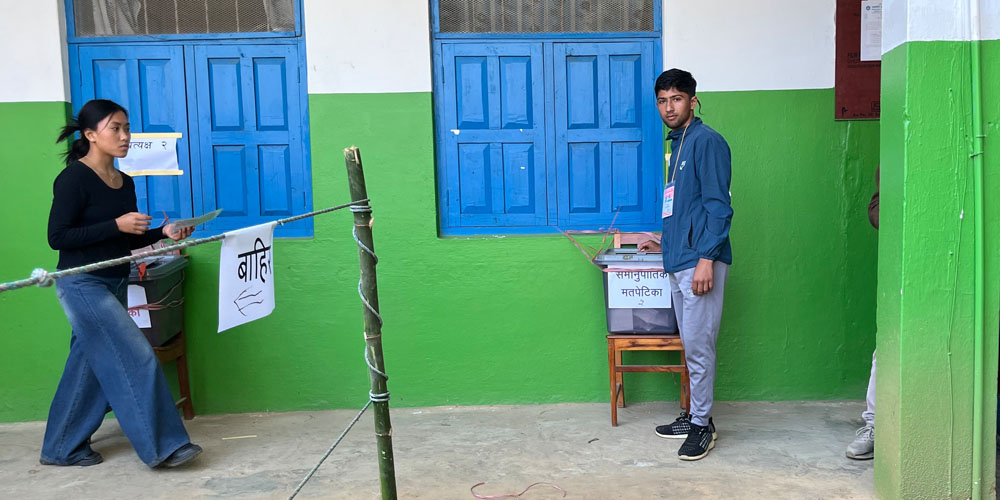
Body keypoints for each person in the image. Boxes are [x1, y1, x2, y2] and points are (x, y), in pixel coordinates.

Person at [40, 99, 202, 468]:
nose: (125, 136)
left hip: (114, 280)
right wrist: (115, 224)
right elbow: (58, 236)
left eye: (127, 128)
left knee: (87, 370)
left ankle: (61, 447)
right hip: (82, 285)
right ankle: (166, 446)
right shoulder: (73, 179)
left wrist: (164, 232)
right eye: (115, 128)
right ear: (91, 135)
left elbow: (123, 242)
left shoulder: (123, 182)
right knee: (136, 357)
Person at [638, 69, 733, 461]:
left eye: (676, 99)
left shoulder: (706, 141)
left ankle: (702, 426)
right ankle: (693, 414)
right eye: (662, 100)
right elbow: (683, 207)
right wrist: (665, 240)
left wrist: (707, 259)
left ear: (692, 101)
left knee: (699, 348)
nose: (668, 107)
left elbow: (718, 206)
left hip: (699, 263)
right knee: (690, 344)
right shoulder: (678, 145)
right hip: (679, 259)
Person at [847, 166, 879, 460]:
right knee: (886, 351)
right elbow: (877, 213)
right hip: (910, 266)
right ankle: (875, 426)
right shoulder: (895, 161)